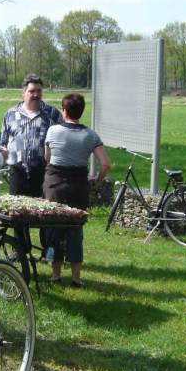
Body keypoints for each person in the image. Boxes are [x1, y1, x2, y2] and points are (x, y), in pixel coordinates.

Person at [43, 93, 111, 287]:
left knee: (54, 229)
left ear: (64, 111)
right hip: (78, 188)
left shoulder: (53, 131)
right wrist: (97, 180)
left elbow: (47, 157)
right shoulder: (91, 135)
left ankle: (55, 275)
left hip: (55, 186)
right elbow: (106, 163)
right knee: (75, 230)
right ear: (81, 111)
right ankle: (76, 278)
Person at [0, 74, 62, 197]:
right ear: (23, 93)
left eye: (39, 91)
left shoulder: (52, 114)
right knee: (16, 211)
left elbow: (62, 142)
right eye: (32, 91)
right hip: (17, 172)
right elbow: (3, 142)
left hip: (43, 172)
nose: (36, 95)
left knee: (41, 212)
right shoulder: (10, 114)